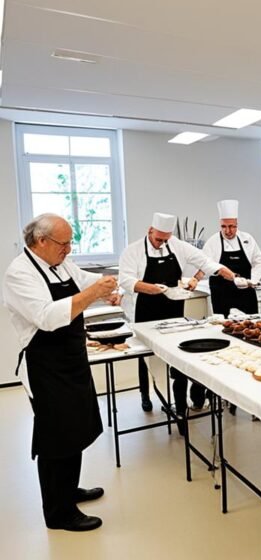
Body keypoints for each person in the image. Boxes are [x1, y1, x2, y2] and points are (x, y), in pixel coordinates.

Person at [3, 213, 119, 531]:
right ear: (41, 241)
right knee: (56, 436)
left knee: (76, 428)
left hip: (71, 359)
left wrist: (106, 286)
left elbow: (83, 281)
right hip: (45, 366)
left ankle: (68, 490)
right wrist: (94, 293)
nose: (68, 249)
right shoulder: (20, 273)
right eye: (64, 243)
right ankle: (58, 512)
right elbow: (47, 317)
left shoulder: (60, 264)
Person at [119, 212, 235, 426]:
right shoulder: (133, 250)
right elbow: (125, 279)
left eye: (166, 239)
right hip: (145, 310)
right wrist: (151, 289)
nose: (162, 243)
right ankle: (146, 394)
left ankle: (179, 404)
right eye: (158, 239)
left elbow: (203, 260)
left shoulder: (177, 245)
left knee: (176, 354)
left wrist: (221, 270)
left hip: (173, 309)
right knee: (145, 356)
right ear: (149, 231)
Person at [195, 199, 261, 316]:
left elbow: (259, 262)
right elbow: (204, 265)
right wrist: (195, 279)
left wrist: (252, 281)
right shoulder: (213, 242)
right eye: (224, 226)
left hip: (245, 293)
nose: (227, 231)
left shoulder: (247, 239)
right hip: (221, 295)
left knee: (250, 325)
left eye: (231, 226)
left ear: (237, 224)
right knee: (223, 327)